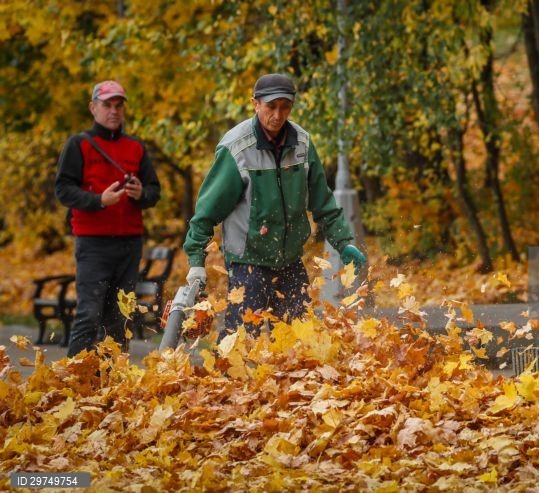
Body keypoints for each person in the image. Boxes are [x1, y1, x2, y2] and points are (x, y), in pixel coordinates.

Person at [184, 73, 366, 339]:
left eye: (285, 107)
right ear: (256, 104)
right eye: (271, 106)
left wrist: (343, 241)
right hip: (248, 262)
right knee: (243, 345)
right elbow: (207, 211)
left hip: (290, 261)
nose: (278, 115)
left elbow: (322, 201)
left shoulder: (301, 144)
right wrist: (196, 261)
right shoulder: (237, 148)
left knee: (299, 345)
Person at [55, 80, 161, 357]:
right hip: (93, 244)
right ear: (93, 108)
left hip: (130, 243)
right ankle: (73, 382)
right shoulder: (79, 144)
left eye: (118, 105)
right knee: (89, 315)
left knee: (119, 319)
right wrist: (98, 201)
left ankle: (112, 388)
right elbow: (63, 189)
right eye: (107, 105)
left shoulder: (136, 148)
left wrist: (141, 194)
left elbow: (154, 191)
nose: (113, 111)